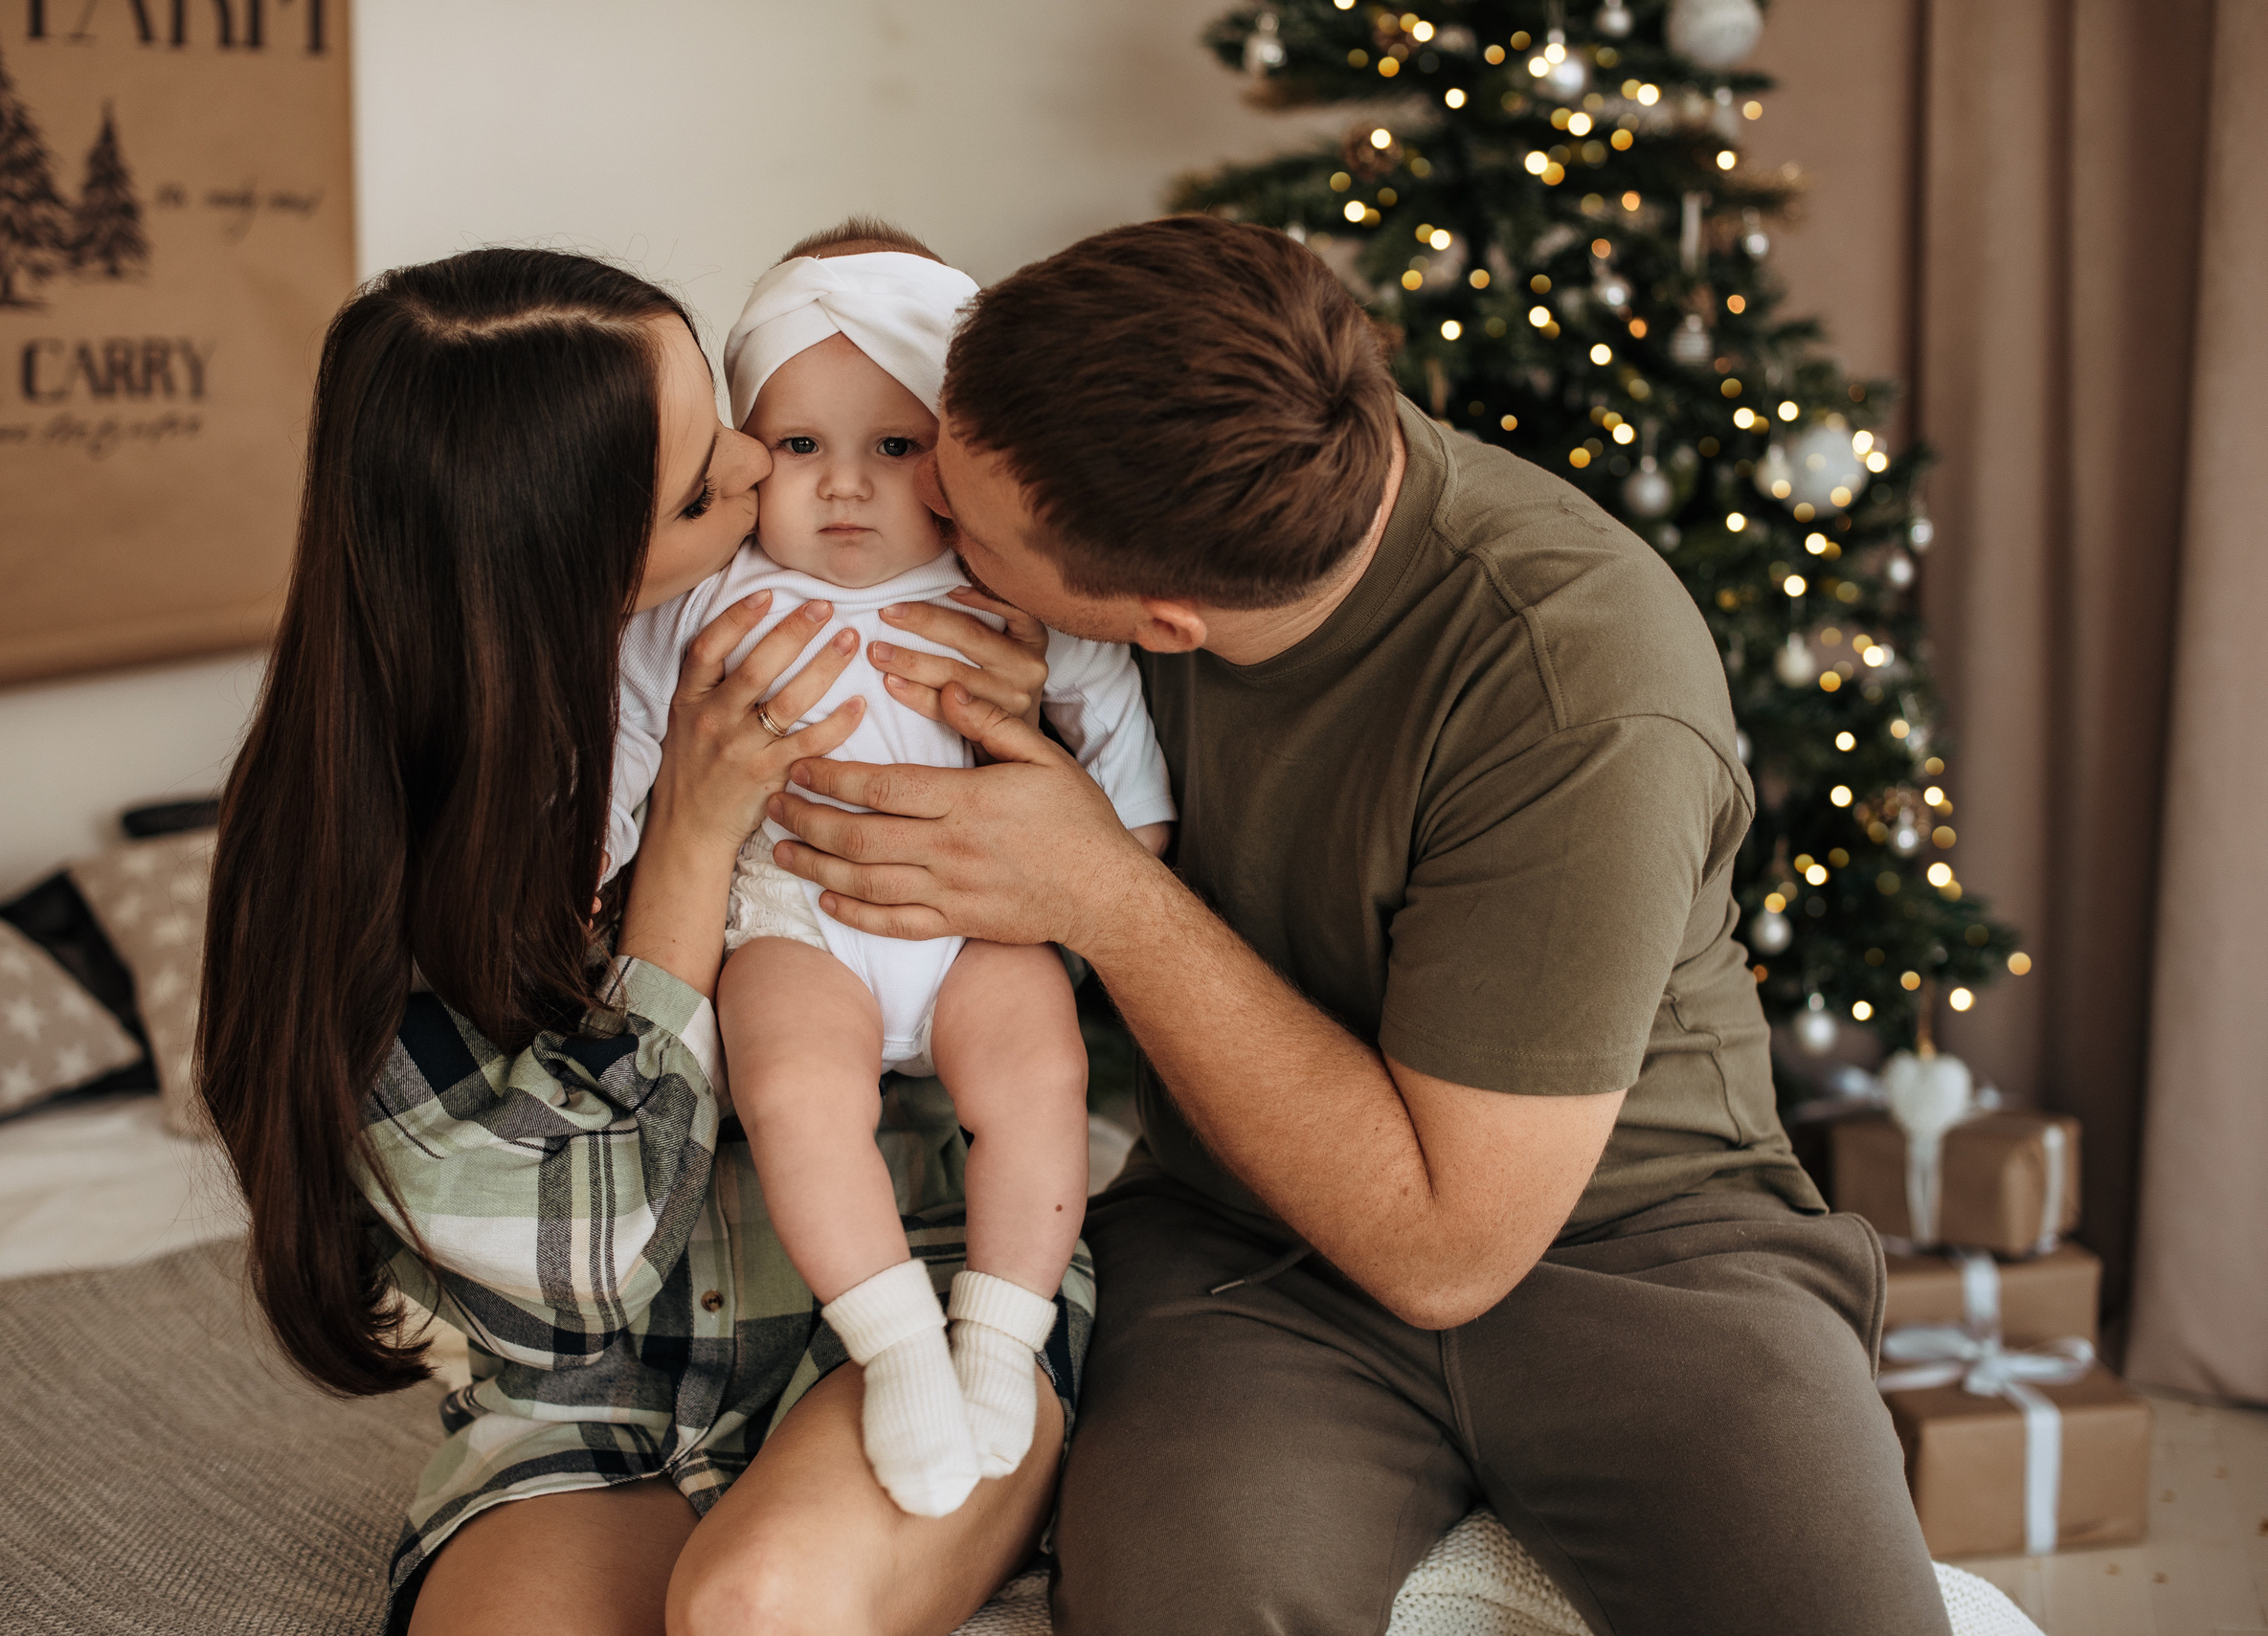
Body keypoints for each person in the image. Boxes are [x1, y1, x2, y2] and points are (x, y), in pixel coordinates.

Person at [766, 215, 1954, 1636]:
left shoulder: (1579, 687)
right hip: (1237, 1249)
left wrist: (1105, 892)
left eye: (962, 520)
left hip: (1648, 1244)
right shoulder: (1124, 520)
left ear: (1164, 622)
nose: (914, 513)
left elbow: (1445, 1248)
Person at [196, 246, 1089, 1636]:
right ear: (575, 566)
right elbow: (582, 1275)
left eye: (725, 423)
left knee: (757, 1608)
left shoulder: (836, 616)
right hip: (587, 1379)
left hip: (926, 1283)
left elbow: (1038, 987)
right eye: (701, 487)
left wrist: (1012, 742)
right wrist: (686, 839)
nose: (759, 463)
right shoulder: (366, 857)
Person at [610, 222, 1171, 1517]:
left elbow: (1106, 705)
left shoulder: (1001, 589)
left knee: (1042, 1080)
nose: (847, 488)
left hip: (979, 918)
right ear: (747, 446)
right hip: (795, 912)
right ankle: (900, 1342)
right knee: (796, 1091)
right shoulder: (710, 596)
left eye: (896, 447)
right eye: (802, 446)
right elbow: (631, 727)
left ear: (958, 455)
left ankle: (1001, 1333)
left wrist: (1129, 845)